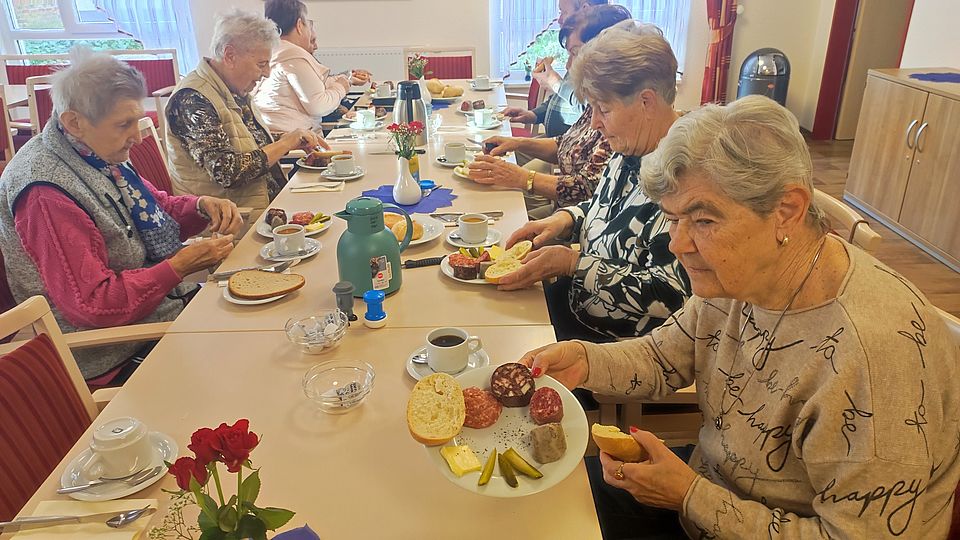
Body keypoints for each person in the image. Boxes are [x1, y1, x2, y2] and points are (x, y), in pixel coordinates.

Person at [519, 96, 960, 538]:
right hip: (710, 490)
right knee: (531, 508)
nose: (677, 244)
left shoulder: (875, 359)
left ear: (786, 210)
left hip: (720, 508)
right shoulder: (741, 274)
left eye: (704, 220)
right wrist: (585, 359)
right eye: (672, 219)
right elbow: (663, 357)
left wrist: (690, 496)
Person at [0, 48, 242, 384]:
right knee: (247, 359)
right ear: (74, 122)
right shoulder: (45, 192)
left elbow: (154, 208)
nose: (138, 135)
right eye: (124, 124)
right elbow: (92, 305)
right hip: (109, 351)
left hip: (155, 313)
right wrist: (177, 268)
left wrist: (200, 206)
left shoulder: (94, 152)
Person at [501, 21, 689, 342]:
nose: (596, 123)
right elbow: (603, 208)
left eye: (603, 109)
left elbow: (671, 294)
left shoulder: (687, 175)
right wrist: (563, 219)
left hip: (621, 345)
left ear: (646, 102)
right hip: (577, 307)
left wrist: (573, 264)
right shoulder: (631, 144)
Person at [468, 5, 629, 218]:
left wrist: (520, 178)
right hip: (566, 217)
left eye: (575, 53)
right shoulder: (598, 103)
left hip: (576, 223)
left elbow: (589, 188)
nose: (570, 64)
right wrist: (518, 143)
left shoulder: (621, 114)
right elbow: (565, 142)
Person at [165, 10, 325, 215]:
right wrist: (285, 143)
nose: (267, 73)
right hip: (233, 222)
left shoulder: (232, 88)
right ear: (230, 55)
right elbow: (227, 172)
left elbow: (245, 143)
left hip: (265, 206)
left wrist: (291, 138)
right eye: (261, 64)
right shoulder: (191, 99)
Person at [253, 0, 373, 133]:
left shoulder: (274, 50)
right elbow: (319, 106)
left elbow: (314, 86)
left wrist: (347, 79)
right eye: (308, 24)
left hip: (281, 137)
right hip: (295, 144)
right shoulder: (292, 54)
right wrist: (341, 87)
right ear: (299, 25)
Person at [502, 0, 610, 139]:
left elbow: (588, 108)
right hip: (557, 141)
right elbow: (561, 100)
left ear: (584, 9)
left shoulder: (597, 60)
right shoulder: (578, 48)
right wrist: (534, 115)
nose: (559, 19)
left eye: (564, 12)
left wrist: (557, 84)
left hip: (569, 145)